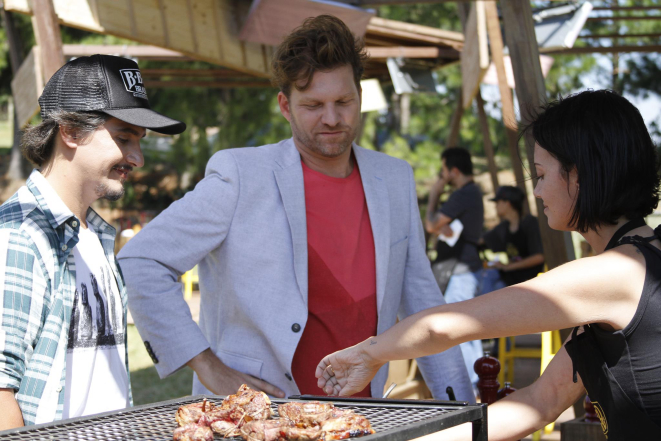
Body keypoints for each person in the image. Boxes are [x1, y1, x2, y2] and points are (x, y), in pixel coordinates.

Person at [117, 15, 474, 403]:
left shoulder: (395, 178)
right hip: (257, 418)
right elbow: (142, 261)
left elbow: (422, 303)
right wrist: (207, 366)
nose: (332, 118)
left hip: (363, 417)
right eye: (313, 105)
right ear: (285, 106)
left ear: (360, 95)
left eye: (344, 101)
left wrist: (466, 411)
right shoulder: (240, 175)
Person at [316, 90, 661, 440]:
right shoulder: (639, 260)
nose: (537, 192)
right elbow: (543, 400)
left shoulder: (616, 273)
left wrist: (368, 354)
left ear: (580, 176)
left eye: (541, 175)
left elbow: (445, 327)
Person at [0, 55, 185, 430]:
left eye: (139, 141)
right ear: (69, 130)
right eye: (123, 137)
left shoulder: (95, 237)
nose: (137, 157)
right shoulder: (20, 236)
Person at [425, 147, 484, 388]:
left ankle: (470, 388)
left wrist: (434, 194)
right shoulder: (473, 193)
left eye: (443, 171)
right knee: (468, 330)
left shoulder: (462, 194)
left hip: (461, 271)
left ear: (454, 170)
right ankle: (477, 384)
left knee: (460, 330)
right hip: (467, 267)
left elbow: (431, 224)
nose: (442, 176)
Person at [482, 185, 545, 289]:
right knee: (489, 276)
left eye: (497, 203)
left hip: (530, 282)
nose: (495, 206)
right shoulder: (505, 226)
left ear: (507, 203)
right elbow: (482, 240)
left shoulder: (529, 223)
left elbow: (539, 257)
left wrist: (508, 267)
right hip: (511, 279)